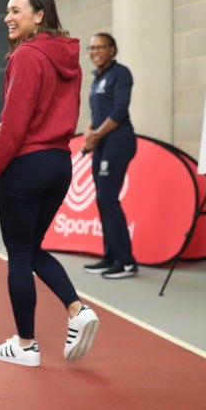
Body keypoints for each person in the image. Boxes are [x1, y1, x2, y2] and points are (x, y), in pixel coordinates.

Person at [0, 0, 99, 367]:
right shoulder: (67, 57)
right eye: (6, 10)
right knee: (32, 248)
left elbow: (19, 122)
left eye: (16, 10)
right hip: (59, 162)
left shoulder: (26, 55)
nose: (8, 17)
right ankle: (77, 309)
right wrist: (7, 125)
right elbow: (40, 112)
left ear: (39, 14)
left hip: (26, 166)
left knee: (19, 255)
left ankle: (25, 345)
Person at [81, 32, 138, 279]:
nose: (95, 51)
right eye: (92, 48)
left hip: (119, 141)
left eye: (101, 47)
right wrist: (91, 130)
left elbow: (119, 110)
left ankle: (126, 262)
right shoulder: (97, 78)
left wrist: (97, 135)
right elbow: (99, 112)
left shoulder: (121, 73)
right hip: (102, 143)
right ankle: (110, 257)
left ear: (112, 50)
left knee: (108, 199)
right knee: (102, 200)